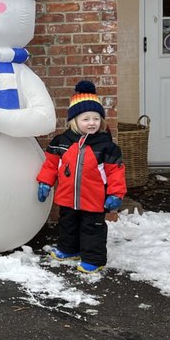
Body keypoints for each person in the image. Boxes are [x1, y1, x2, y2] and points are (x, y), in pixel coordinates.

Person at [37, 80, 127, 273]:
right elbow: (51, 164)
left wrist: (115, 195)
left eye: (96, 118)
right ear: (74, 121)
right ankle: (69, 249)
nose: (92, 123)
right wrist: (45, 182)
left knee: (92, 229)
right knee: (67, 224)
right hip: (67, 198)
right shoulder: (61, 142)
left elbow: (115, 173)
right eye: (86, 119)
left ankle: (94, 259)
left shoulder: (106, 147)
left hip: (94, 200)